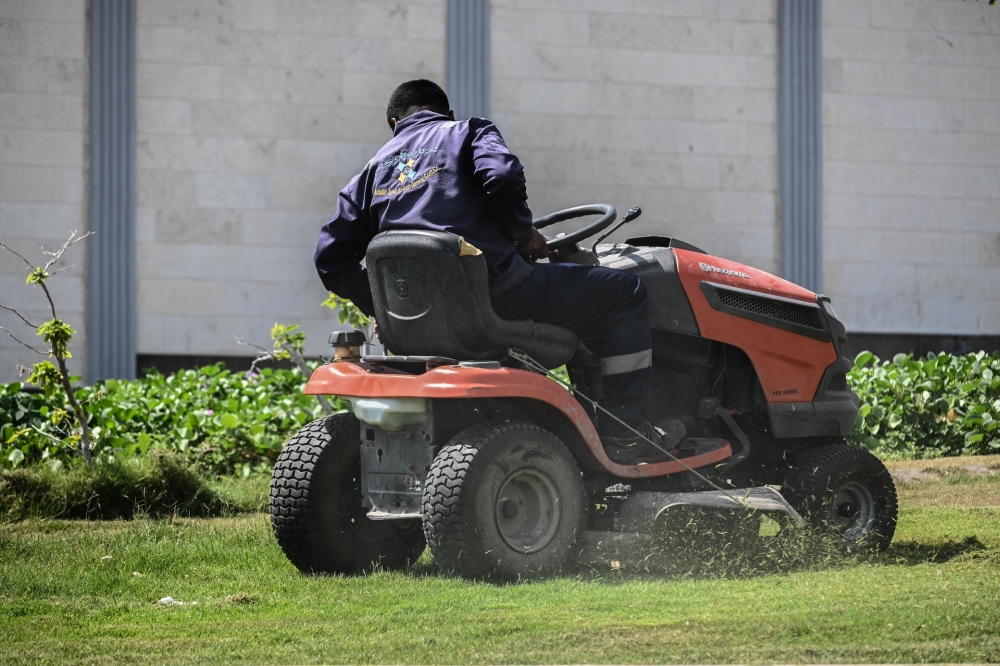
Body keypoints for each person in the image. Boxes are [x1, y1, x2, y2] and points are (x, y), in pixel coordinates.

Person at [313, 79, 684, 464]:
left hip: (414, 322)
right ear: (446, 113)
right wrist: (523, 235)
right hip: (498, 298)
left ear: (394, 122)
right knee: (625, 293)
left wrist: (384, 307)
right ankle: (626, 432)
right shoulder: (466, 131)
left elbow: (330, 257)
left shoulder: (371, 173)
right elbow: (503, 176)